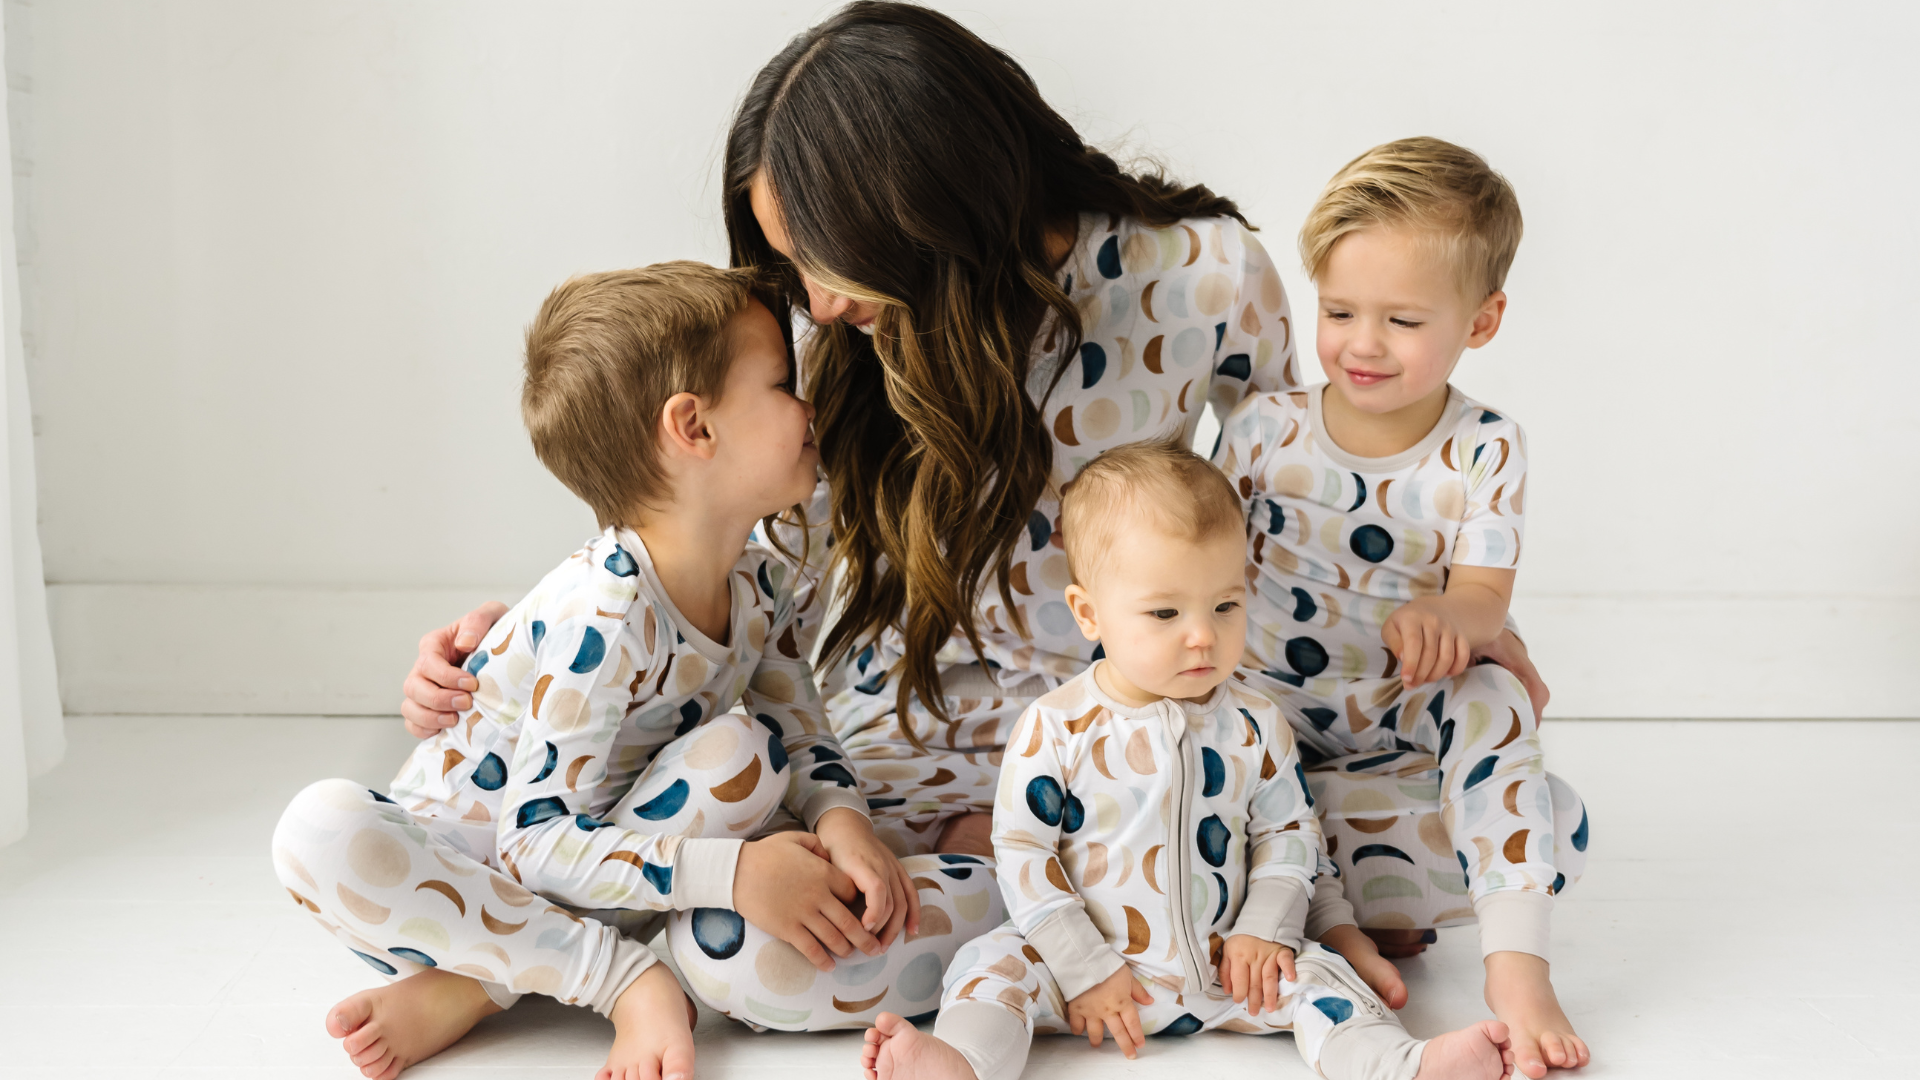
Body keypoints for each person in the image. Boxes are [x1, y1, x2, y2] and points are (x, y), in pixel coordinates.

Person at [398, 0, 1562, 1023]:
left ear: (924, 211)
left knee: (1535, 823)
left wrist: (1447, 604)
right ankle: (1143, 925)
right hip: (870, 771)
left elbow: (1273, 495)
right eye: (786, 261)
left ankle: (1118, 909)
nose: (808, 298)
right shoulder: (829, 327)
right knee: (748, 957)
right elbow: (709, 527)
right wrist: (541, 645)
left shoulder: (1203, 276)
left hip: (1129, 746)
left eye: (824, 256)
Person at [272, 263, 937, 1080]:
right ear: (693, 427)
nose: (807, 409)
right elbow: (533, 844)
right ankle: (618, 977)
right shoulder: (607, 611)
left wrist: (843, 822)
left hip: (587, 872)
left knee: (745, 753)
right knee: (317, 827)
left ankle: (475, 990)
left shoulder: (760, 585)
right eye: (778, 386)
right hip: (446, 892)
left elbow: (799, 731)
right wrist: (732, 875)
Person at [860, 442, 1515, 1080]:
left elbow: (1288, 836)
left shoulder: (1254, 723)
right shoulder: (1057, 726)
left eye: (1225, 604)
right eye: (1166, 611)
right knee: (988, 967)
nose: (1202, 633)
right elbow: (1025, 855)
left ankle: (1404, 1066)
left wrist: (1265, 930)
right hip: (1085, 971)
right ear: (1090, 614)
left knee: (1322, 978)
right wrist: (1084, 968)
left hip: (1232, 966)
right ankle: (961, 1065)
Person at [1216, 137, 1591, 1078]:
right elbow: (1207, 564)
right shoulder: (1265, 428)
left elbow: (1481, 596)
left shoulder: (1485, 447)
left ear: (1482, 321)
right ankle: (1341, 915)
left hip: (1400, 713)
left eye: (1402, 319)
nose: (1362, 343)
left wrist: (1453, 627)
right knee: (1203, 738)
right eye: (1338, 311)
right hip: (1274, 717)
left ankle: (1515, 967)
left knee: (1505, 715)